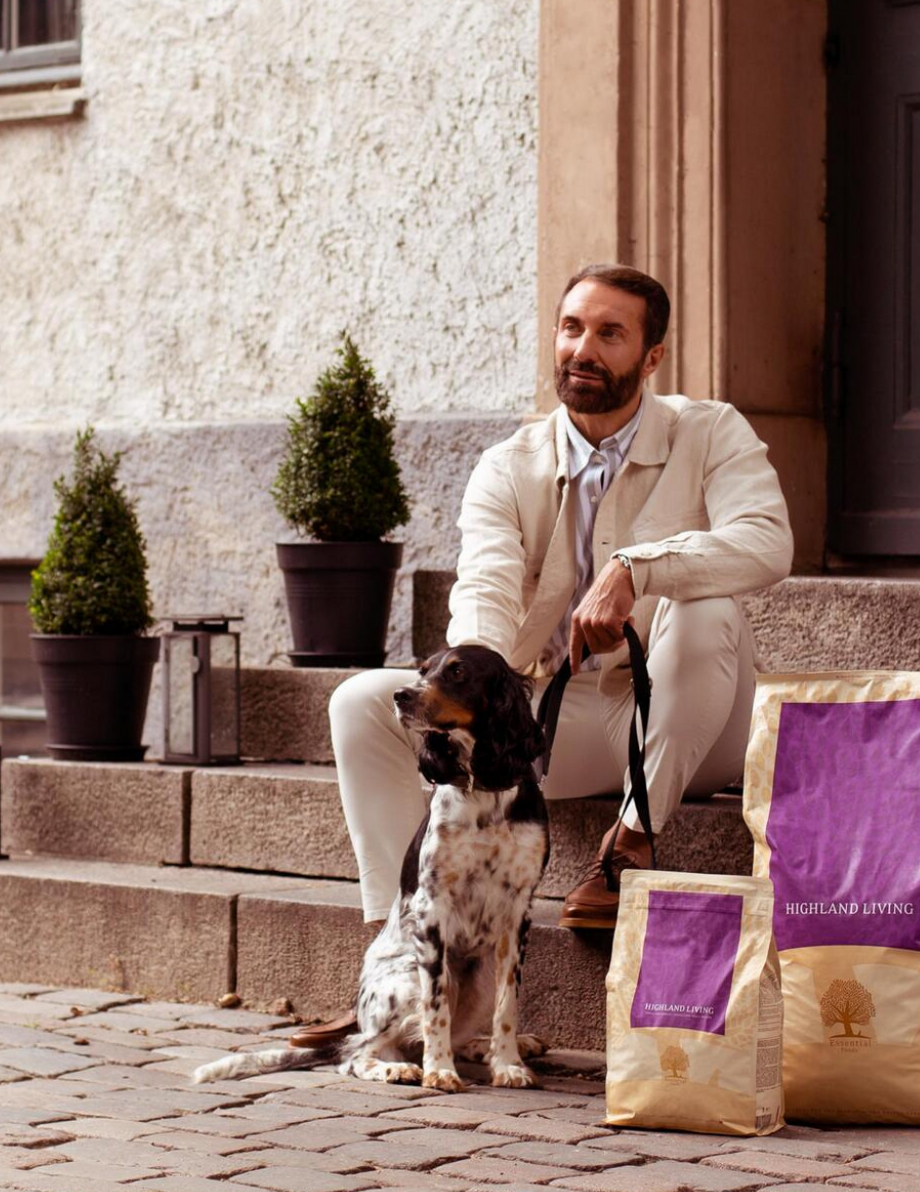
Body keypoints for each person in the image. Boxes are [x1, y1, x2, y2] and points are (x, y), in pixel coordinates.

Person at [322, 262, 794, 977]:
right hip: (554, 723)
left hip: (690, 723)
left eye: (610, 334)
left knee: (709, 607)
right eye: (572, 328)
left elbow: (767, 542)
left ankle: (630, 839)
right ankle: (406, 954)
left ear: (652, 356)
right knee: (358, 702)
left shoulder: (709, 432)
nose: (583, 350)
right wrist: (467, 693)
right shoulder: (507, 467)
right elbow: (485, 589)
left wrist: (640, 569)